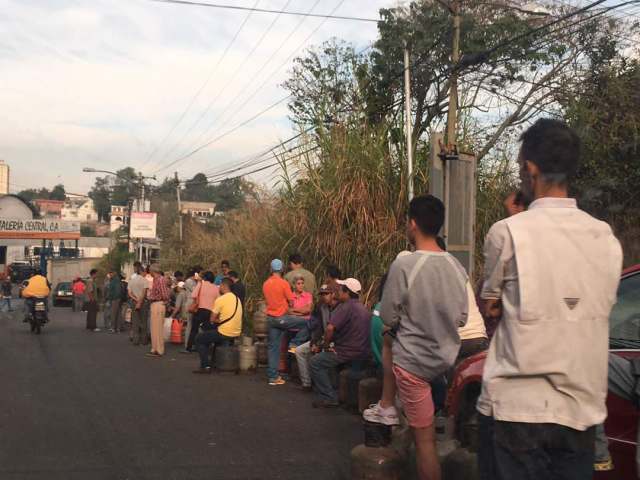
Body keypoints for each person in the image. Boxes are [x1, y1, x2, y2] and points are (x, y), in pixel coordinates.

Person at [477, 119, 623, 480]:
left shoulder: (506, 232)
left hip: (516, 410)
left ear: (530, 169)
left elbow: (490, 304)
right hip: (580, 413)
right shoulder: (605, 238)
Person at [380, 195, 469, 480]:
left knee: (426, 442)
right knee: (427, 428)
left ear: (413, 224)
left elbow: (388, 317)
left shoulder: (405, 265)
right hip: (445, 360)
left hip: (413, 365)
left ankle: (387, 409)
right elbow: (463, 317)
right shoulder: (456, 266)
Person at [310, 277, 371, 408]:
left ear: (347, 292)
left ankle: (329, 396)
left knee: (315, 362)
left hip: (347, 351)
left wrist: (325, 346)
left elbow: (330, 328)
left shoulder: (346, 307)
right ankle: (334, 390)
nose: (339, 292)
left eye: (341, 290)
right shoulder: (362, 307)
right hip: (362, 349)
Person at [193, 278, 243, 374]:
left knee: (199, 339)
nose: (219, 287)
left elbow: (212, 319)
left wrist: (218, 320)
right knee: (212, 335)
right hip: (236, 331)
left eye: (220, 285)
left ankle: (205, 366)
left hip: (225, 332)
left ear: (224, 286)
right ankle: (215, 362)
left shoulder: (221, 299)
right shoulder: (237, 299)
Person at [294, 284, 337, 391]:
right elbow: (319, 327)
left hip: (334, 341)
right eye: (322, 294)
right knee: (299, 351)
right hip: (322, 339)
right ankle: (307, 383)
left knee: (319, 356)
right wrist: (314, 342)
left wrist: (321, 345)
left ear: (332, 294)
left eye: (326, 294)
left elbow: (335, 332)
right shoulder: (321, 307)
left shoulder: (339, 308)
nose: (324, 296)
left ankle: (326, 388)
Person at [264, 258, 296, 386]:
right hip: (282, 318)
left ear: (271, 269)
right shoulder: (284, 283)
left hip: (270, 318)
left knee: (273, 347)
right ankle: (295, 344)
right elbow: (292, 301)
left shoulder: (266, 283)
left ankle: (273, 376)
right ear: (282, 269)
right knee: (304, 324)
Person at [187, 271, 219, 353]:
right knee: (208, 330)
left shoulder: (201, 285)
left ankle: (189, 347)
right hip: (210, 311)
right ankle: (206, 347)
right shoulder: (216, 288)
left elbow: (193, 295)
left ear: (204, 278)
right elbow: (218, 300)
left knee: (194, 329)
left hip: (200, 310)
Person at [146, 264, 171, 357]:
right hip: (155, 303)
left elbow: (165, 294)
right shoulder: (156, 280)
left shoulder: (160, 280)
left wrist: (165, 301)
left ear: (153, 271)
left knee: (158, 329)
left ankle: (159, 349)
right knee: (154, 328)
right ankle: (154, 348)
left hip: (158, 303)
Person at [286, 276, 314, 352]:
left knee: (307, 323)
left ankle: (293, 346)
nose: (301, 285)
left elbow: (308, 310)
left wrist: (294, 311)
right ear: (294, 285)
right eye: (298, 284)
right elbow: (288, 311)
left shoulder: (308, 295)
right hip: (294, 323)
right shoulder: (290, 296)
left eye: (302, 283)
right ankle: (293, 349)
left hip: (305, 323)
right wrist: (302, 311)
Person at [181, 266, 202, 353]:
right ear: (196, 274)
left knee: (194, 326)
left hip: (194, 304)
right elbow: (195, 291)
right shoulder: (189, 281)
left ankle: (192, 344)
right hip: (190, 304)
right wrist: (199, 282)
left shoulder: (195, 281)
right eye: (200, 273)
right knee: (190, 325)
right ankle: (187, 344)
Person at [128, 262, 148, 346]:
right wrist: (140, 301)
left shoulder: (131, 281)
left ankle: (135, 340)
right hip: (143, 303)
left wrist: (135, 299)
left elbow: (129, 293)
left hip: (134, 302)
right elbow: (144, 293)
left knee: (135, 322)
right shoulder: (145, 280)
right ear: (142, 272)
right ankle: (144, 340)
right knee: (143, 322)